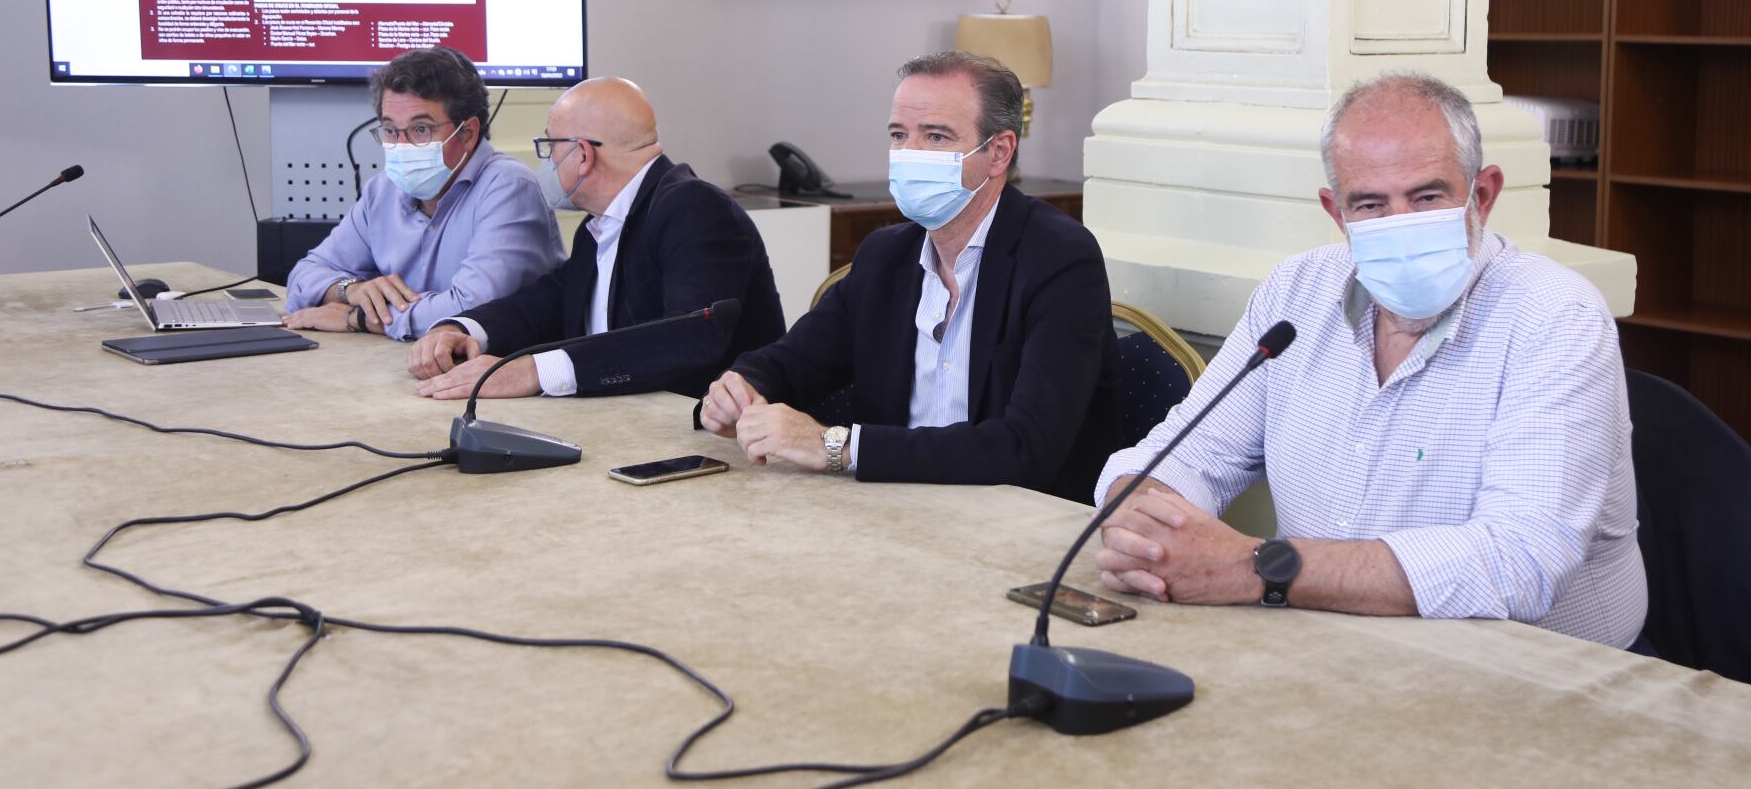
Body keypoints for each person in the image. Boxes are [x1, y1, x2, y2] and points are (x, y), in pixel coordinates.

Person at [1093, 72, 1647, 649]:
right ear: (1337, 212)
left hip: (1540, 679)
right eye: (1371, 204)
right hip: (1324, 647)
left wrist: (1251, 566)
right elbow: (1192, 453)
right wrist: (1143, 526)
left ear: (1482, 194)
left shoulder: (1554, 315)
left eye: (1427, 197)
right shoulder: (1295, 294)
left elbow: (1520, 560)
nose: (1400, 223)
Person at [699, 51, 1118, 503]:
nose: (909, 154)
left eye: (936, 137)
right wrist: (740, 388)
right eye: (899, 135)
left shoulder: (1060, 259)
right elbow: (791, 362)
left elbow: (1025, 449)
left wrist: (836, 447)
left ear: (999, 152)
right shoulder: (887, 255)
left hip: (1016, 524)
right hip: (894, 511)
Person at [406, 77, 785, 400]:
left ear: (583, 155)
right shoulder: (602, 223)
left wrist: (533, 373)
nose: (547, 162)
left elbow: (688, 338)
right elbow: (550, 301)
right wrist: (462, 328)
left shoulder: (694, 208)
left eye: (549, 148)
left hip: (709, 446)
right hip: (625, 426)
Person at [284, 47, 561, 340]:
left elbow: (472, 308)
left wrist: (361, 317)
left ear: (467, 132)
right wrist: (351, 290)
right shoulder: (383, 190)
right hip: (401, 364)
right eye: (390, 130)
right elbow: (305, 275)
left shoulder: (509, 187)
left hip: (499, 371)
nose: (401, 145)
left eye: (420, 129)